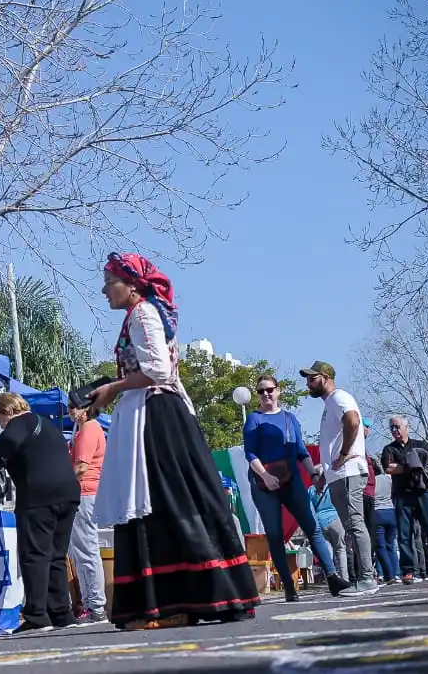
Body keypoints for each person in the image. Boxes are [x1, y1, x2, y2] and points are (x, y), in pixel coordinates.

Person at [89, 252, 258, 629]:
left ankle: (181, 599)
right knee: (164, 501)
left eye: (109, 282)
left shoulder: (144, 314)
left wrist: (113, 387)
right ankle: (181, 599)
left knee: (162, 500)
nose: (104, 290)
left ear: (131, 284)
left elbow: (158, 371)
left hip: (158, 416)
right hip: (153, 413)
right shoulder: (141, 315)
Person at [241, 374, 350, 599]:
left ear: (278, 390)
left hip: (291, 481)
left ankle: (332, 578)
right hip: (264, 485)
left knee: (313, 527)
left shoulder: (290, 419)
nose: (266, 394)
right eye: (261, 391)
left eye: (269, 389)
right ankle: (289, 587)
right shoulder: (254, 419)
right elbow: (250, 452)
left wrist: (313, 473)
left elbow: (300, 450)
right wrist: (265, 475)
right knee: (274, 534)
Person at [0, 392, 81, 633]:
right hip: (68, 495)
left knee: (35, 555)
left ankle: (37, 616)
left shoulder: (19, 424)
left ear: (7, 412)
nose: (1, 424)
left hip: (39, 497)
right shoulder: (46, 423)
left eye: (0, 419)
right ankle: (61, 613)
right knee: (57, 555)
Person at [303, 361, 378, 595]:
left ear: (325, 377)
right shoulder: (330, 405)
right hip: (338, 476)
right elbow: (332, 443)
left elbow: (354, 420)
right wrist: (325, 476)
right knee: (350, 526)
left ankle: (367, 578)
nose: (308, 382)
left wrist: (345, 454)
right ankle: (360, 578)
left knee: (355, 524)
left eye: (312, 378)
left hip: (349, 473)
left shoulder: (338, 397)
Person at [380, 416, 428, 582]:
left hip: (422, 492)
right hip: (402, 494)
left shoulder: (421, 444)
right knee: (405, 535)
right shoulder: (389, 449)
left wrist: (403, 466)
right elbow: (389, 468)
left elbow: (427, 461)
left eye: (397, 427)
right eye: (391, 428)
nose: (394, 430)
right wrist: (411, 465)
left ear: (407, 426)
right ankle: (408, 571)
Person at [67, 403, 109, 624]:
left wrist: (64, 488)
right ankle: (92, 605)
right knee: (82, 551)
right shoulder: (90, 429)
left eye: (74, 407)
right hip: (87, 493)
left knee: (86, 550)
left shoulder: (88, 429)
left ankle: (96, 606)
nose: (70, 411)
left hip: (83, 492)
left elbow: (81, 466)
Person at [368, 458, 400, 585]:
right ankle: (396, 572)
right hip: (391, 512)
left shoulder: (370, 481)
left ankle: (388, 575)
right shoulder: (388, 479)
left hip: (377, 513)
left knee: (380, 547)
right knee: (391, 545)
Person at [309, 483, 347, 583]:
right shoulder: (332, 486)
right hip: (335, 518)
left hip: (319, 521)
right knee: (341, 548)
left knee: (327, 550)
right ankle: (344, 578)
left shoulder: (311, 490)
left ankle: (333, 577)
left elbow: (309, 507)